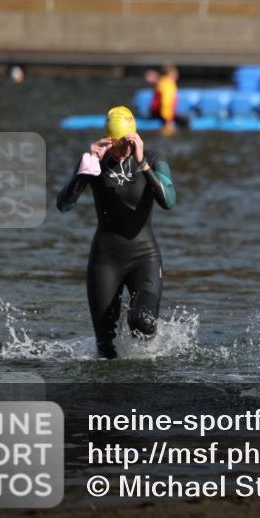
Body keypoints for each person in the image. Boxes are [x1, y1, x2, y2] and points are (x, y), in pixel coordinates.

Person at [56, 106, 177, 359]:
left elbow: (169, 201)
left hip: (144, 257)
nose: (122, 152)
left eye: (127, 145)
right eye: (116, 146)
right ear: (107, 141)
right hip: (105, 261)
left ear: (135, 139)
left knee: (143, 323)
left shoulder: (153, 159)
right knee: (106, 348)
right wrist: (86, 168)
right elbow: (64, 205)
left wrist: (142, 163)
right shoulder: (94, 162)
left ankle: (133, 319)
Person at [149, 64, 188, 133]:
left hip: (155, 112)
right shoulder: (168, 84)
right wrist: (168, 121)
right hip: (161, 114)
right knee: (186, 121)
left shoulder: (162, 81)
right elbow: (166, 103)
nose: (177, 76)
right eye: (175, 74)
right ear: (170, 74)